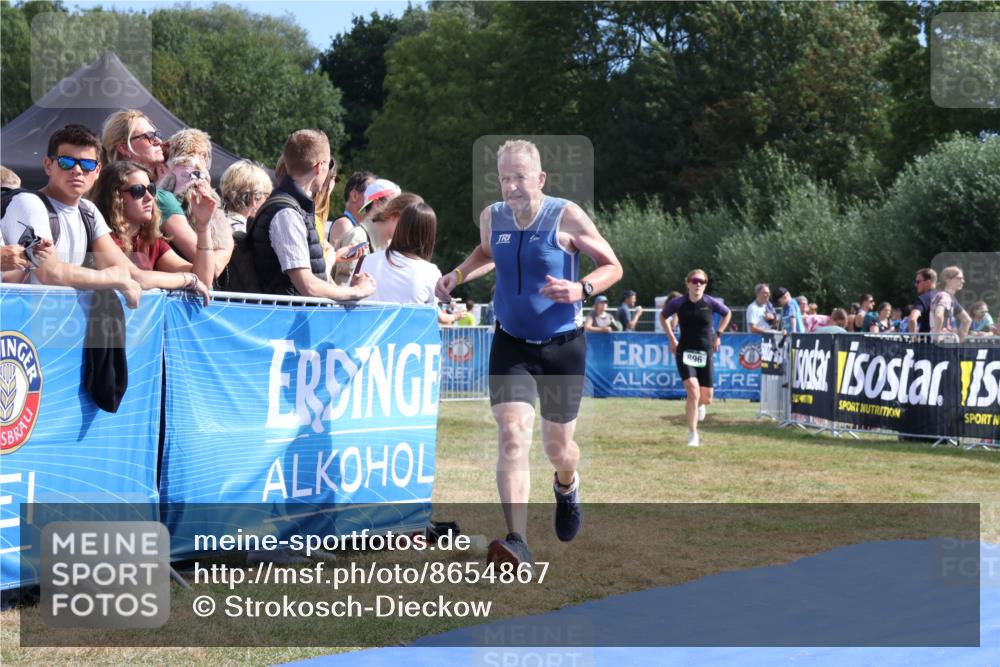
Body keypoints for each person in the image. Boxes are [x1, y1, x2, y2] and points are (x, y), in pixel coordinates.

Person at [434, 139, 623, 568]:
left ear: (540, 178)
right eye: (504, 178)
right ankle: (516, 540)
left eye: (520, 177)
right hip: (511, 342)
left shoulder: (567, 215)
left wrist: (582, 288)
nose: (512, 187)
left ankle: (567, 484)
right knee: (512, 435)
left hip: (562, 346)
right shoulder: (493, 217)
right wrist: (458, 274)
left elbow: (612, 264)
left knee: (559, 449)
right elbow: (488, 252)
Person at [0, 124, 141, 306]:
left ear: (97, 171)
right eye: (66, 162)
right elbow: (50, 273)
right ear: (48, 165)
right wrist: (109, 277)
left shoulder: (87, 210)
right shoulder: (28, 202)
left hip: (60, 324)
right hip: (20, 325)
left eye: (87, 164)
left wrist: (188, 279)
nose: (77, 170)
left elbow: (126, 270)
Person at [250, 129, 374, 300]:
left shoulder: (294, 208)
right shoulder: (286, 214)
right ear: (319, 167)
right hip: (286, 322)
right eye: (330, 165)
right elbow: (308, 286)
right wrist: (356, 291)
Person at [101, 111, 228, 278]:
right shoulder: (161, 198)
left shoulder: (152, 240)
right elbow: (213, 268)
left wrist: (204, 227)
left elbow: (201, 274)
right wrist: (228, 244)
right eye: (149, 137)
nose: (159, 141)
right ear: (124, 148)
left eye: (157, 135)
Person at [91, 160, 211, 304]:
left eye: (151, 189)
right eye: (138, 191)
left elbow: (202, 280)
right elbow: (138, 279)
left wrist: (203, 226)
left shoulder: (151, 241)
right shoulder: (102, 238)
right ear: (115, 197)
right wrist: (187, 279)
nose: (149, 197)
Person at [660, 269, 731, 448]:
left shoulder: (710, 302)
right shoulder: (679, 303)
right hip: (684, 351)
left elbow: (727, 313)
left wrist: (719, 335)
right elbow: (663, 316)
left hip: (705, 352)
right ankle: (693, 434)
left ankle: (700, 405)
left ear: (705, 284)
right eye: (694, 280)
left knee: (706, 397)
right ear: (688, 283)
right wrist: (671, 338)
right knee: (692, 390)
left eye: (701, 281)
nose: (697, 284)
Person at [360, 199, 441, 305]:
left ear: (400, 226)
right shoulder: (431, 273)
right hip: (407, 322)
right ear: (429, 235)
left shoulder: (366, 260)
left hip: (367, 321)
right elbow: (431, 314)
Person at [332, 179, 402, 285]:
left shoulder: (391, 241)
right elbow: (343, 286)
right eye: (396, 204)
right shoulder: (357, 237)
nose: (401, 211)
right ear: (377, 203)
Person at [219, 160, 273, 235]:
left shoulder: (213, 221)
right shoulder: (243, 232)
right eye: (266, 196)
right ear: (255, 198)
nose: (267, 201)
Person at [327, 170, 375, 246]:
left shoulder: (359, 227)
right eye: (371, 193)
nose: (375, 200)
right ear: (354, 195)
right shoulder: (344, 224)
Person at [930, 266, 972, 342]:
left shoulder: (951, 298)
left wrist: (959, 340)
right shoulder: (944, 296)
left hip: (945, 342)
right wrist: (936, 337)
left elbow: (967, 320)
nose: (963, 281)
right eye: (959, 278)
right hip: (939, 344)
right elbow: (939, 315)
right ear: (947, 279)